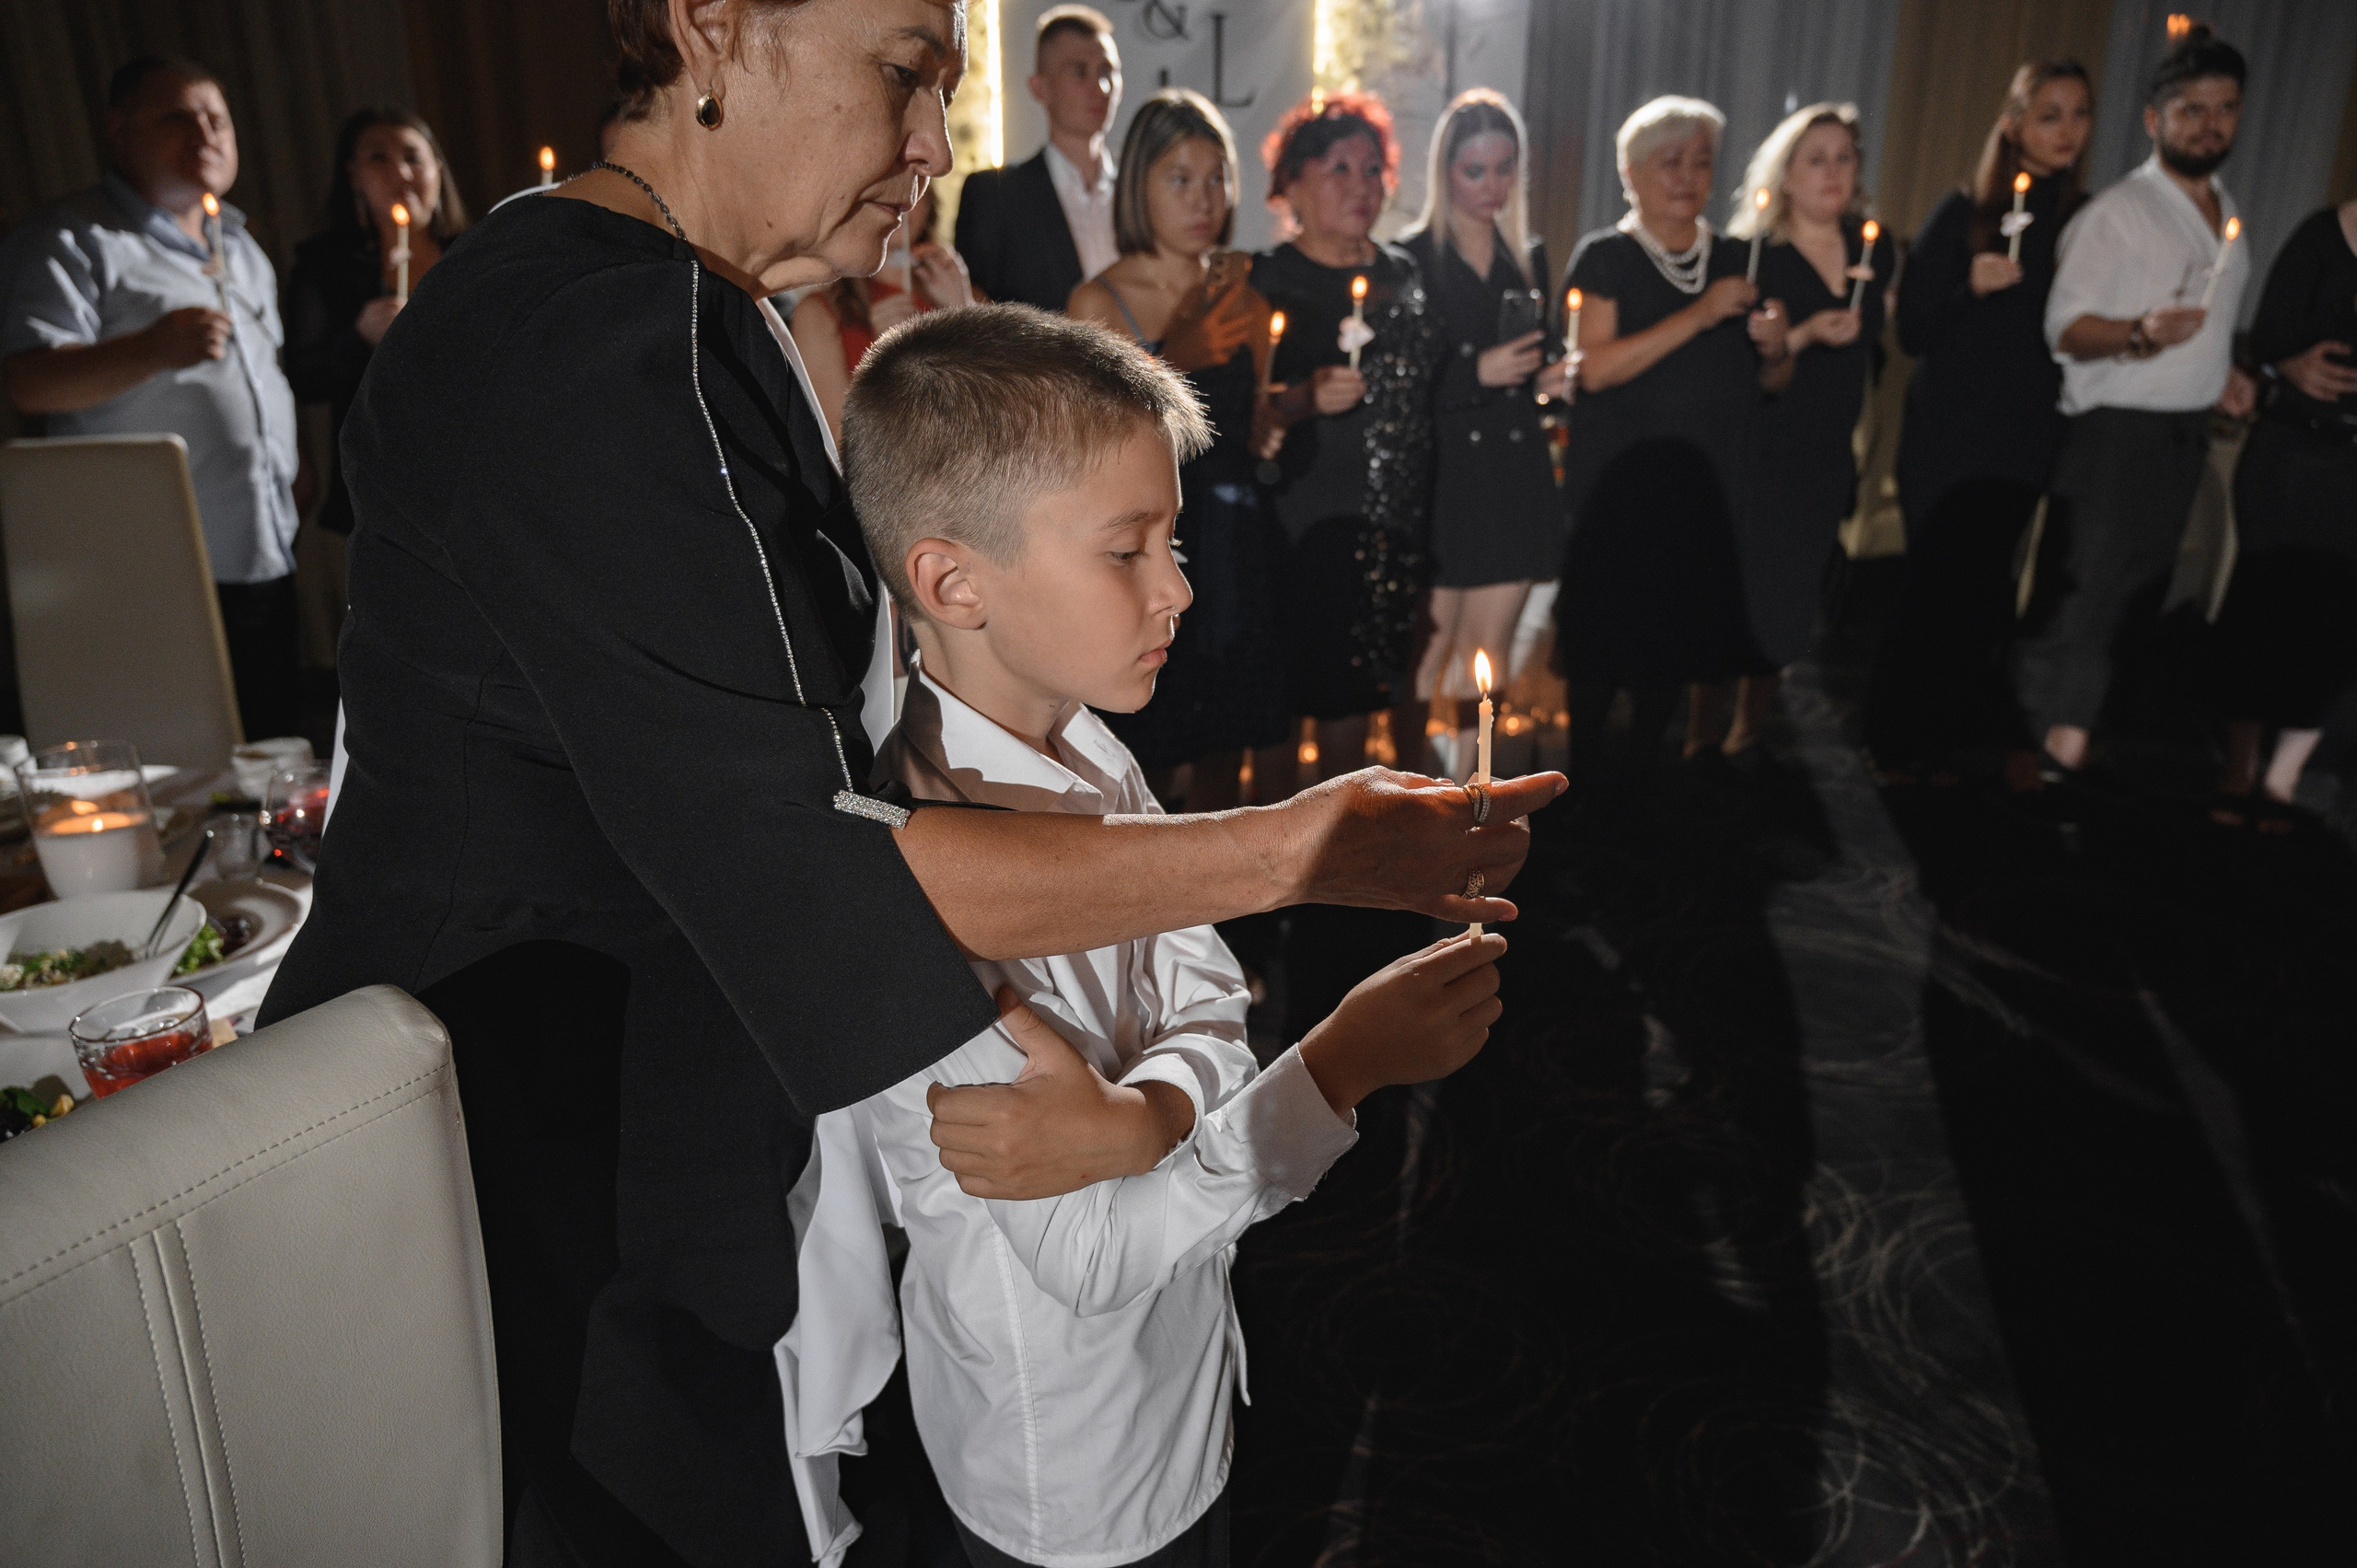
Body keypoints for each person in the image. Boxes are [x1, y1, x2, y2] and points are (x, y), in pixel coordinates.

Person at [252, 4, 1558, 1562]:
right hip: (532, 1138)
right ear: (712, 27)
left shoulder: (671, 303)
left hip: (605, 1106)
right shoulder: (600, 342)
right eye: (906, 74)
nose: (938, 143)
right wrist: (1299, 852)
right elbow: (815, 853)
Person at [785, 302, 1508, 1568]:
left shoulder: (1094, 741)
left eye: (1172, 538)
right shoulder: (908, 897)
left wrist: (1148, 1119)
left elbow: (1213, 991)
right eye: (1130, 549)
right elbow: (1095, 1253)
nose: (1180, 586)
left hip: (1184, 1375)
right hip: (1066, 1461)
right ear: (952, 579)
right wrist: (1337, 1065)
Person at [0, 55, 303, 740]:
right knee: (188, 762)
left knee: (270, 751)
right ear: (118, 130)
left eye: (217, 119)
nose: (206, 133)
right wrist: (149, 349)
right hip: (148, 571)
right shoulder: (74, 238)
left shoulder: (243, 247)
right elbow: (27, 380)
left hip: (261, 548)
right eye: (177, 116)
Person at [2018, 25, 2256, 786]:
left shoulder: (2227, 212)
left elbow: (2210, 319)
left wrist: (2223, 372)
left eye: (2224, 109)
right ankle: (2039, 758)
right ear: (2154, 121)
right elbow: (2066, 327)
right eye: (2191, 109)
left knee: (2137, 599)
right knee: (2083, 599)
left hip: (2183, 433)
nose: (2209, 124)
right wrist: (2141, 335)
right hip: (2114, 437)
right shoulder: (2116, 213)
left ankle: (2078, 747)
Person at [1554, 96, 1791, 786]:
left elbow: (1773, 383)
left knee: (1670, 650)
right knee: (1602, 648)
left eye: (1701, 162)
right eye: (1670, 162)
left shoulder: (1745, 257)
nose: (1688, 177)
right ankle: (1585, 785)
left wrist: (1778, 351)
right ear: (1630, 173)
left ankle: (1640, 787)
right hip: (1618, 490)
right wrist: (1700, 313)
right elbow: (1593, 368)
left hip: (1703, 490)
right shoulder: (1605, 256)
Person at [1867, 60, 2092, 785]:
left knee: (1986, 592)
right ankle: (1897, 742)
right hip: (1948, 437)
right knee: (1933, 585)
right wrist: (1970, 283)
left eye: (2079, 114)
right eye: (2049, 114)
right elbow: (1915, 332)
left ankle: (1950, 744)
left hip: (2026, 439)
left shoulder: (2086, 223)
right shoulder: (1962, 212)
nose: (2066, 130)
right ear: (2015, 123)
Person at [1067, 89, 1290, 810]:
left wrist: (1273, 427)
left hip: (1238, 538)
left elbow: (1251, 432)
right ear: (1139, 185)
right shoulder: (1097, 302)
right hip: (1151, 551)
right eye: (1180, 179)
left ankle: (1235, 917)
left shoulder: (1247, 297)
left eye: (1216, 178)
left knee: (1232, 741)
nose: (1204, 199)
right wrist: (1173, 359)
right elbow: (1090, 456)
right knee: (1153, 747)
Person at [1253, 90, 1443, 783]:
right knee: (1285, 690)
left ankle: (1342, 855)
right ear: (1293, 182)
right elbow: (1232, 405)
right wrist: (1300, 399)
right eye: (1340, 168)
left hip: (1390, 514)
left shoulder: (1402, 273)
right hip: (1298, 514)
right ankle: (1272, 862)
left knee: (1359, 690)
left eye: (1373, 170)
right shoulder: (1267, 278)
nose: (1362, 186)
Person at [1398, 89, 1571, 780]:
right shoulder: (1408, 258)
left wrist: (1551, 381)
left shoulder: (1525, 257)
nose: (1491, 185)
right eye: (1476, 169)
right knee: (1426, 654)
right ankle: (1403, 793)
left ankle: (1470, 798)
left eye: (1504, 168)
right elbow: (1402, 386)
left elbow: (1540, 360)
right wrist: (1479, 369)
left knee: (1487, 654)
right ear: (1445, 171)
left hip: (1512, 476)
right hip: (1442, 483)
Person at [1724, 103, 1892, 756]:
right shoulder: (1756, 256)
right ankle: (1713, 728)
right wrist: (1804, 333)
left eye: (1843, 157)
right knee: (1744, 585)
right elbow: (1741, 364)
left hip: (1829, 450)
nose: (1832, 171)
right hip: (1764, 444)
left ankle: (1753, 725)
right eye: (1815, 159)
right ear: (1785, 174)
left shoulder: (1872, 252)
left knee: (1792, 594)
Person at [2211, 198, 2357, 827]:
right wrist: (2289, 363)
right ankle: (2239, 765)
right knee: (2265, 603)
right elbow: (2266, 337)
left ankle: (2284, 776)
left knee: (2332, 620)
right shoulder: (2321, 237)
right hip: (2290, 448)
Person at [285, 109, 468, 539]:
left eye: (413, 157)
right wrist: (358, 339)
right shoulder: (325, 266)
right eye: (379, 159)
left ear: (437, 171)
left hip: (476, 479)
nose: (401, 172)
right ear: (353, 175)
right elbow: (303, 378)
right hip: (382, 493)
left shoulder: (476, 256)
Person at [954, 5, 1120, 311]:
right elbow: (972, 312)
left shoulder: (1139, 195)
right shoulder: (995, 195)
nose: (1101, 87)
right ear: (1040, 87)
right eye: (1080, 72)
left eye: (1108, 71)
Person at [788, 184, 973, 441]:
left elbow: (1005, 415)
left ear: (931, 200)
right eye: (884, 179)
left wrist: (966, 316)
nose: (900, 194)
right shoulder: (820, 313)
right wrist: (890, 362)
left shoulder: (963, 294)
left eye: (918, 182)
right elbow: (842, 446)